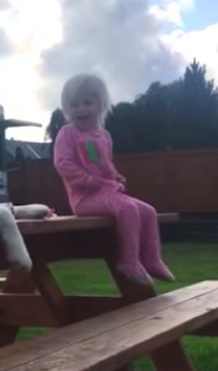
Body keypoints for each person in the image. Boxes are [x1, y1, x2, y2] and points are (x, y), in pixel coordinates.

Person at [53, 74, 173, 284]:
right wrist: (88, 180)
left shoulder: (104, 136)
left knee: (148, 211)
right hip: (85, 198)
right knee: (127, 209)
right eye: (74, 105)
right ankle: (128, 261)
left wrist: (115, 176)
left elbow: (105, 166)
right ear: (67, 108)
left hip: (106, 192)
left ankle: (152, 259)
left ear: (101, 105)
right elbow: (63, 163)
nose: (81, 109)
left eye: (87, 103)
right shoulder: (68, 133)